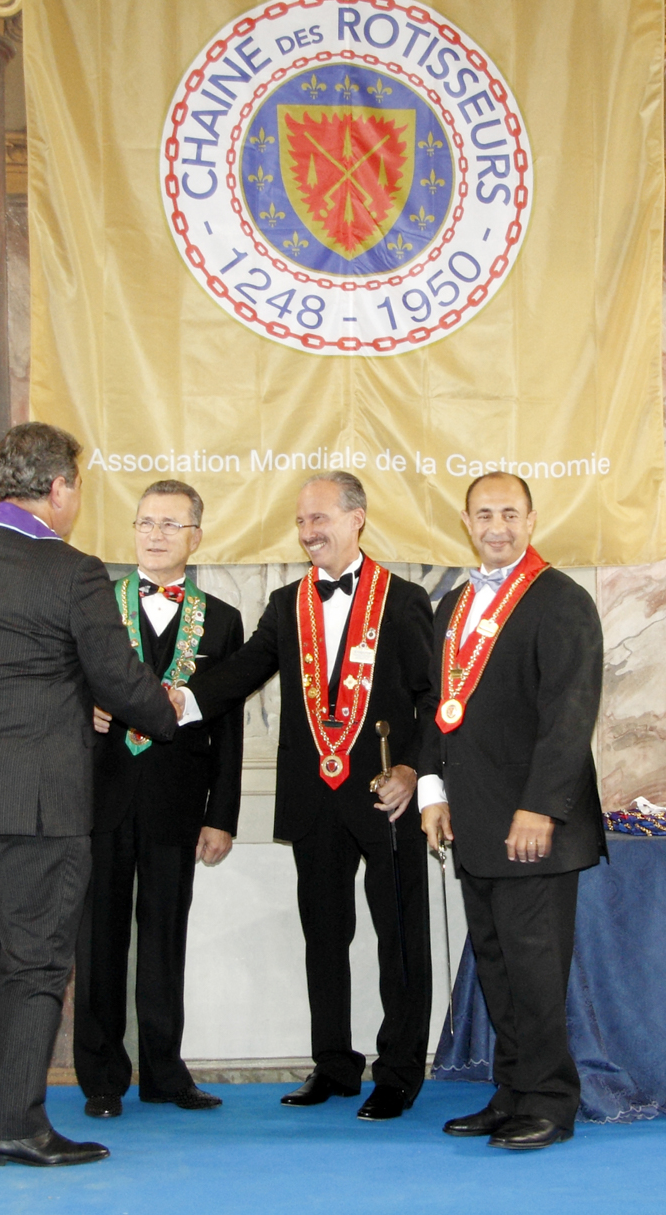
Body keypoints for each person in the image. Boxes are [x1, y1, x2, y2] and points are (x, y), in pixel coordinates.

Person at [0, 423, 179, 1168]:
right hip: (37, 802)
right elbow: (118, 680)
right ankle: (14, 1125)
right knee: (36, 962)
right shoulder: (71, 570)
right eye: (77, 487)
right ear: (58, 489)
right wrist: (173, 713)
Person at [175, 472, 435, 1120]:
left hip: (387, 797)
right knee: (324, 935)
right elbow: (241, 672)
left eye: (319, 518)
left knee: (400, 937)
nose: (308, 531)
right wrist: (175, 700)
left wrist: (411, 768)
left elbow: (432, 699)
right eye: (300, 521)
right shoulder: (286, 602)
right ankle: (334, 1066)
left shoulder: (403, 600)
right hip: (313, 798)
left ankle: (399, 1072)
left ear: (356, 519)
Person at [419, 471, 605, 1151]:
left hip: (534, 829)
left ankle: (551, 1101)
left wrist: (539, 808)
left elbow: (569, 713)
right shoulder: (452, 604)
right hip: (473, 824)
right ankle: (513, 1092)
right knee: (497, 969)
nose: (495, 526)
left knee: (535, 972)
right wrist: (433, 793)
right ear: (466, 523)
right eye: (483, 514)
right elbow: (438, 707)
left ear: (530, 520)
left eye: (508, 513)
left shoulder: (561, 599)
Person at [73, 479, 243, 1116]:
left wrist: (221, 816)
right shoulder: (93, 603)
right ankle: (101, 1079)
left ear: (196, 537)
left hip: (178, 802)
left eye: (171, 524)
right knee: (99, 941)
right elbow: (57, 682)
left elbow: (227, 725)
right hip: (100, 798)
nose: (156, 534)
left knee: (165, 938)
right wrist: (80, 707)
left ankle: (165, 1073)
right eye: (146, 522)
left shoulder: (223, 619)